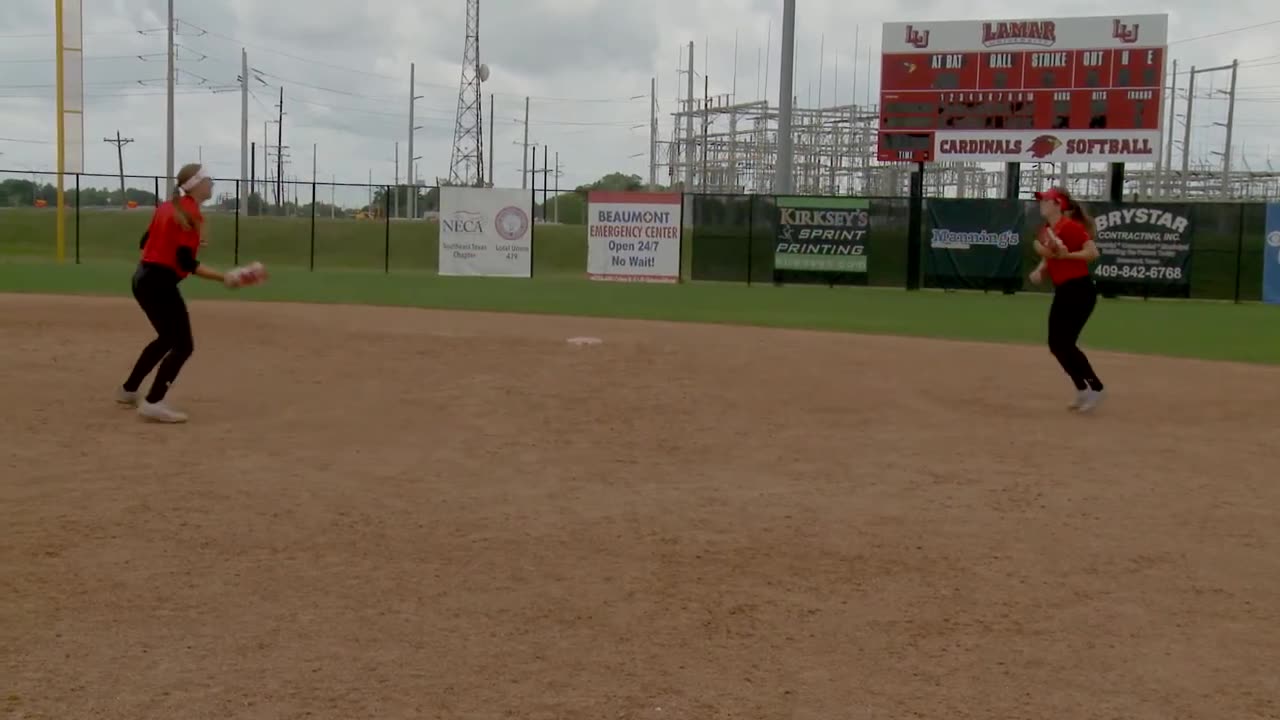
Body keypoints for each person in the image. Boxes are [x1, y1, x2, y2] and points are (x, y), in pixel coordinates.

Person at [117, 163, 265, 423]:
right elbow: (186, 264)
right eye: (208, 180)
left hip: (142, 279)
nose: (212, 184)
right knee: (183, 345)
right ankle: (153, 402)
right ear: (195, 185)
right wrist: (226, 277)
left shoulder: (168, 207)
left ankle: (129, 390)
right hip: (159, 283)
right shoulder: (189, 215)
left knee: (166, 339)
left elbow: (144, 242)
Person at [1028, 186, 1105, 413]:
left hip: (1080, 291)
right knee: (1055, 344)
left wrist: (1067, 255)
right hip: (1064, 290)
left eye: (1046, 200)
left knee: (1065, 343)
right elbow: (1050, 255)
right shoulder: (1047, 229)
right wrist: (1041, 269)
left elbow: (1092, 253)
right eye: (1041, 200)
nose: (1041, 203)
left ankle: (1096, 387)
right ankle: (1082, 389)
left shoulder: (1070, 227)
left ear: (1058, 204)